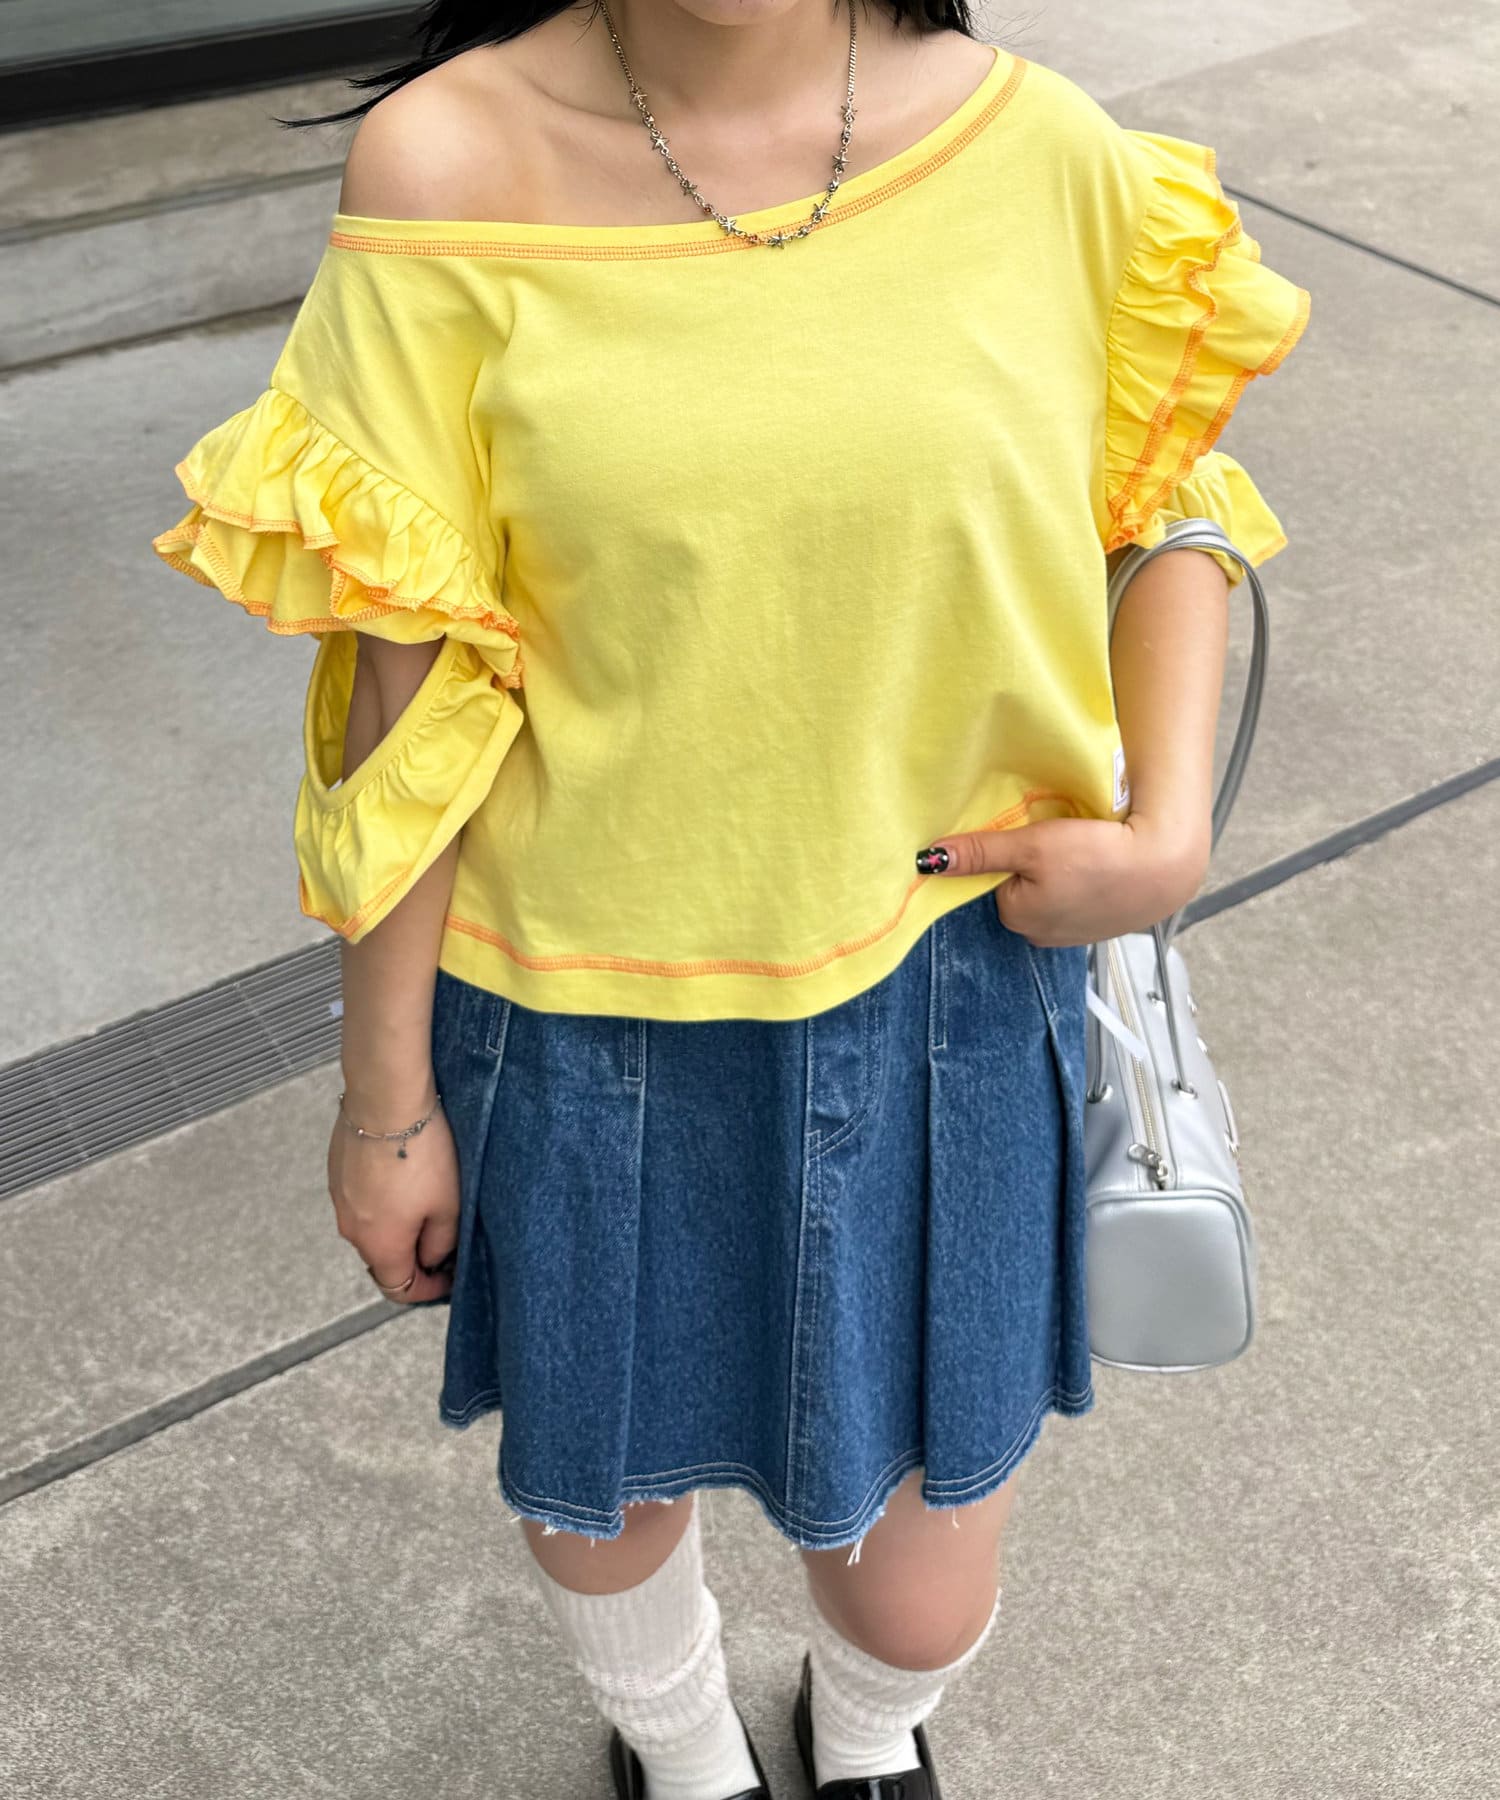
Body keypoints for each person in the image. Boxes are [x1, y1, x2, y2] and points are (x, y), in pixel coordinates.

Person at [149, 0, 1310, 1793]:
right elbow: (408, 684)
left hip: (947, 984)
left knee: (921, 1581)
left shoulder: (1041, 147)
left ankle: (869, 1734)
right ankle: (684, 1757)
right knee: (603, 1492)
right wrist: (386, 1102)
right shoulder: (449, 165)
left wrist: (1167, 834)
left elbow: (1166, 501)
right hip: (576, 1007)